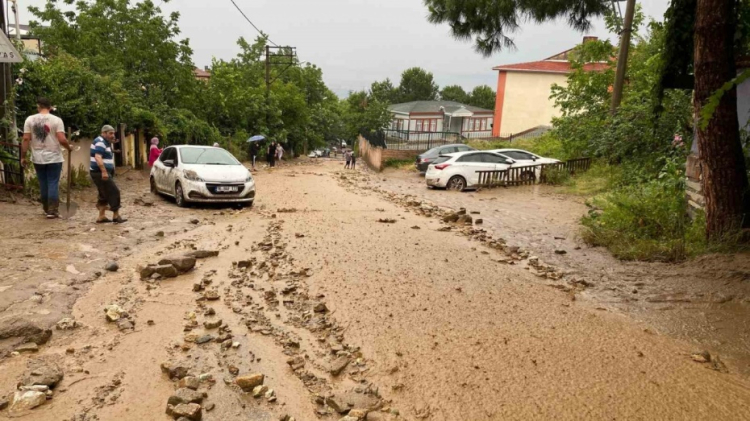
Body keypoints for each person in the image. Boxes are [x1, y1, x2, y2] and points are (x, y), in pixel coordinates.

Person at [21, 97, 72, 219]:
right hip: (54, 156)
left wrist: (23, 156)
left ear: (38, 106)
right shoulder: (56, 120)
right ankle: (52, 210)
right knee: (53, 182)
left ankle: (45, 207)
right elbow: (61, 138)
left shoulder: (30, 119)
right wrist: (68, 147)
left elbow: (26, 139)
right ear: (50, 107)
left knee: (43, 182)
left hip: (38, 157)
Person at [90, 125, 127, 224]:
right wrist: (104, 171)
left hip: (101, 172)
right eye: (110, 133)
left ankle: (101, 216)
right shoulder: (100, 142)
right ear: (104, 133)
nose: (112, 135)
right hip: (100, 172)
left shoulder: (105, 142)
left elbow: (104, 154)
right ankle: (116, 215)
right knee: (114, 192)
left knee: (103, 194)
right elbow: (98, 157)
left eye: (113, 133)